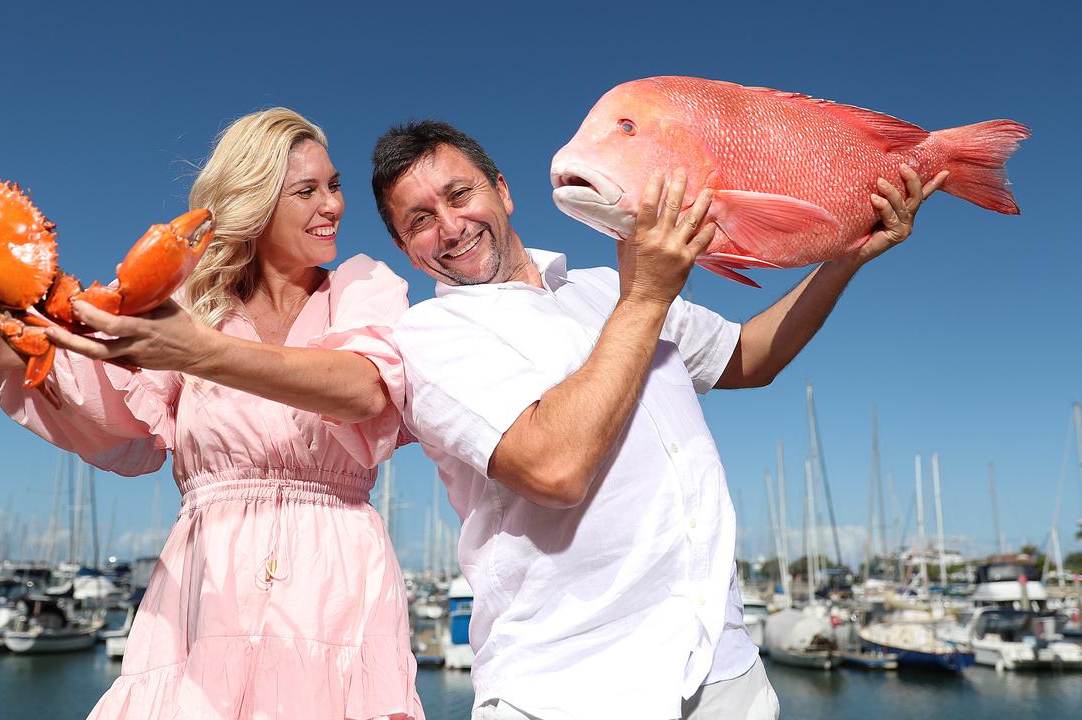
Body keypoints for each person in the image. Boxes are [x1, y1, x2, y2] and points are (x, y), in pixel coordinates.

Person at [371, 120, 947, 720]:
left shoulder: (604, 287)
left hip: (723, 666)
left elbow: (751, 356)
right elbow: (554, 467)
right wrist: (646, 298)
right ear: (404, 249)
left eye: (460, 195)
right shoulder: (429, 337)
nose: (450, 226)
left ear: (502, 190)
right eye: (419, 220)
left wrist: (848, 257)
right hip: (567, 689)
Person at [0, 108, 425, 720]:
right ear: (254, 203)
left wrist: (201, 353)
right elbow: (41, 366)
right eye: (307, 191)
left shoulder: (362, 287)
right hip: (205, 593)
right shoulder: (185, 308)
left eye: (334, 185)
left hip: (337, 586)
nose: (334, 206)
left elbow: (366, 389)